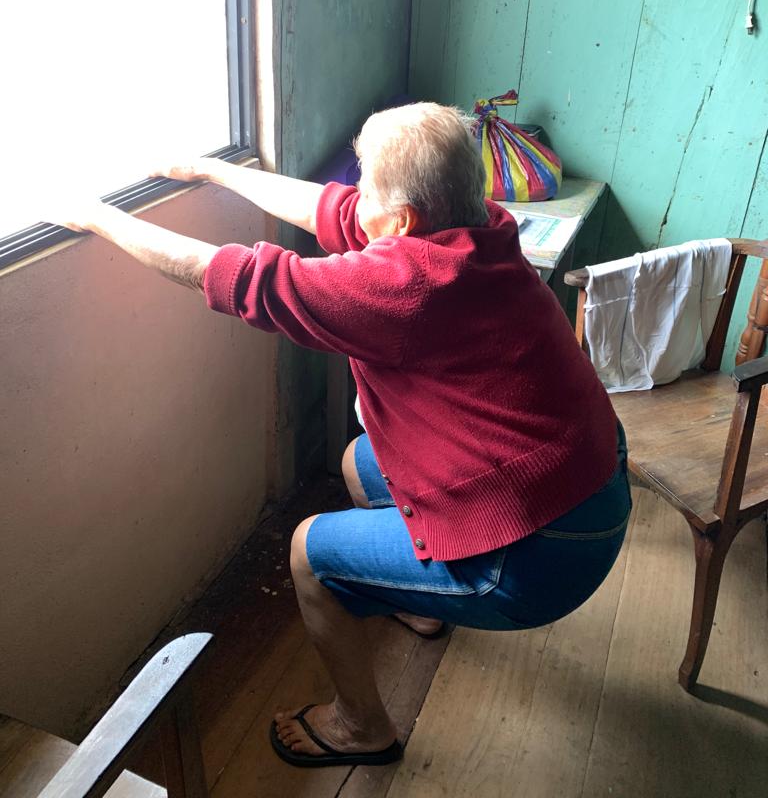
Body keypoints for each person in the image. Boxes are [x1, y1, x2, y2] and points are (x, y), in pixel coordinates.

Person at [52, 102, 630, 770]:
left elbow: (234, 277)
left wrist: (101, 217)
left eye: (368, 191)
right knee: (362, 462)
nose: (356, 203)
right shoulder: (482, 227)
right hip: (588, 483)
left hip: (541, 553)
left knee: (310, 554)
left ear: (404, 219)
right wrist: (211, 171)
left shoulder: (406, 286)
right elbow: (336, 211)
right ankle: (421, 604)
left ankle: (362, 726)